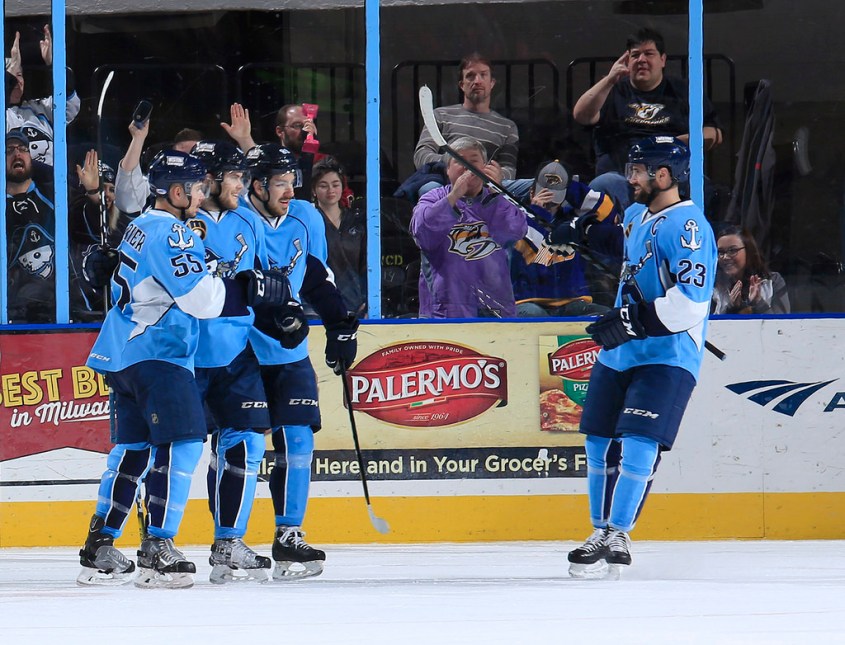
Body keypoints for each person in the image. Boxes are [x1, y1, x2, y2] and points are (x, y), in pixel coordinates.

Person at [76, 149, 298, 589]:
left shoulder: (141, 225)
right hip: (159, 352)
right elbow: (202, 302)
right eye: (196, 188)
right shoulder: (174, 233)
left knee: (133, 450)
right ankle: (157, 547)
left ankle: (98, 546)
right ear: (176, 192)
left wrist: (218, 274)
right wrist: (247, 289)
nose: (201, 195)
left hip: (121, 352)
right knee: (182, 444)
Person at [567, 136, 716, 579]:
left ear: (663, 175)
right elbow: (622, 246)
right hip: (620, 352)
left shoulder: (689, 228)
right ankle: (599, 530)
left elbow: (691, 303)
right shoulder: (637, 213)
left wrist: (632, 321)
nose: (630, 178)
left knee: (638, 442)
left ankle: (619, 532)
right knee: (598, 440)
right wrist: (576, 232)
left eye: (637, 171)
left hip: (668, 354)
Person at [244, 143, 359, 579]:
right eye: (280, 183)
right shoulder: (237, 220)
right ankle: (227, 540)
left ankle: (289, 535)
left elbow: (313, 274)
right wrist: (273, 315)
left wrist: (339, 324)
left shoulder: (305, 216)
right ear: (257, 186)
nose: (290, 191)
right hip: (243, 350)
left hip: (289, 350)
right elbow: (236, 286)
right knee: (241, 446)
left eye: (292, 182)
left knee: (298, 442)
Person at [572, 27, 722, 210]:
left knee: (701, 186)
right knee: (602, 184)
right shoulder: (611, 90)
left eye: (649, 54)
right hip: (622, 178)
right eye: (635, 55)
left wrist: (676, 142)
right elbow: (581, 116)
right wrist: (610, 79)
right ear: (627, 60)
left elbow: (713, 132)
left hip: (671, 178)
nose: (641, 60)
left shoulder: (683, 91)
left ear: (662, 60)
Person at [410, 136, 527, 318]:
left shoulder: (499, 200)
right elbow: (422, 233)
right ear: (448, 169)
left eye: (474, 161)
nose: (467, 167)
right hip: (444, 311)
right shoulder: (432, 198)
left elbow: (515, 232)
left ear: (486, 167)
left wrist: (496, 194)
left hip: (495, 309)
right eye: (460, 161)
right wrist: (454, 196)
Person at [511, 159, 622, 317]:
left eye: (555, 194)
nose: (548, 199)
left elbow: (607, 213)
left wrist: (571, 188)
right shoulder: (516, 218)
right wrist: (537, 212)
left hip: (572, 301)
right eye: (543, 192)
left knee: (605, 316)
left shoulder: (572, 221)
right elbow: (530, 248)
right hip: (528, 302)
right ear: (531, 192)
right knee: (536, 317)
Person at [412, 52, 531, 200]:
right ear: (462, 85)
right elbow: (421, 155)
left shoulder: (507, 127)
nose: (477, 81)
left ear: (492, 83)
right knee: (430, 190)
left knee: (536, 186)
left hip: (487, 186)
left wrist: (493, 175)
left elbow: (509, 169)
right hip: (446, 183)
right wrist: (454, 165)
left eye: (483, 75)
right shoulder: (440, 115)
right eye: (470, 76)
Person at [5, 26, 81, 167]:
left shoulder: (39, 108)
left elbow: (69, 102)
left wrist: (53, 64)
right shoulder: (5, 116)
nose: (17, 82)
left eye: (19, 75)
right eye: (12, 77)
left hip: (51, 177)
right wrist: (12, 70)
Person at [5, 127, 56, 323]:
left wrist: (93, 194)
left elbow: (86, 225)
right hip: (11, 314)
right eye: (9, 151)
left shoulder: (55, 195)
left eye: (23, 149)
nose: (17, 154)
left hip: (56, 310)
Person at [312, 156, 367, 317]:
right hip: (319, 308)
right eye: (323, 185)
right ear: (313, 190)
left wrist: (368, 301)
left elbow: (366, 264)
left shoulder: (357, 220)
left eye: (335, 185)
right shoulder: (309, 222)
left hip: (357, 306)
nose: (331, 190)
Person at [711, 225, 790, 314]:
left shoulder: (773, 281)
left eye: (732, 250)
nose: (725, 257)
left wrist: (759, 302)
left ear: (748, 251)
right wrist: (731, 308)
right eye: (721, 252)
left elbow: (781, 321)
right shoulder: (713, 287)